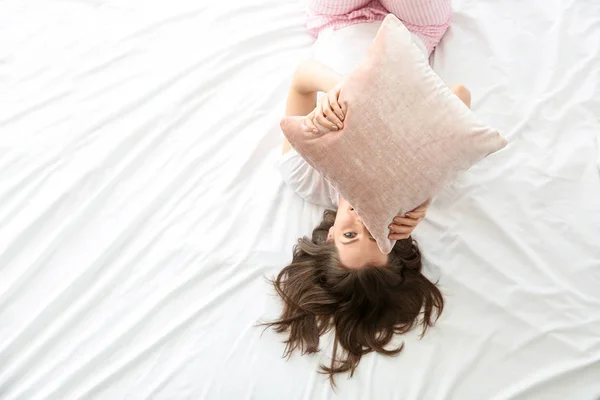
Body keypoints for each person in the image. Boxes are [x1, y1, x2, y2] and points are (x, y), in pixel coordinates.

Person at [264, 0, 472, 385]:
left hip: (335, 21)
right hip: (412, 28)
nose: (359, 220)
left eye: (348, 234)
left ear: (328, 236)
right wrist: (426, 184)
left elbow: (301, 78)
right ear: (397, 238)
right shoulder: (410, 185)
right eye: (374, 234)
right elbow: (460, 95)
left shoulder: (306, 179)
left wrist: (336, 93)